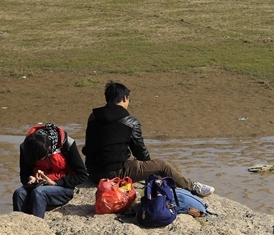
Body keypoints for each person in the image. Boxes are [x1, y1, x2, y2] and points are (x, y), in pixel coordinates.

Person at [82, 82, 215, 209]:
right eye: (128, 99)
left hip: (93, 173)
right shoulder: (130, 121)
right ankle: (193, 187)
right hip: (113, 174)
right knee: (162, 165)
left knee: (131, 161)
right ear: (124, 98)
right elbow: (140, 152)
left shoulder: (93, 117)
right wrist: (150, 170)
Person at [14, 123, 89, 218]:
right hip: (37, 185)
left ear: (49, 149)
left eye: (40, 159)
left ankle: (37, 226)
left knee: (39, 193)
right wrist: (30, 178)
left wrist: (55, 183)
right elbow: (24, 174)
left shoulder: (67, 144)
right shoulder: (27, 147)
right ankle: (19, 224)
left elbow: (82, 175)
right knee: (19, 193)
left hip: (62, 187)